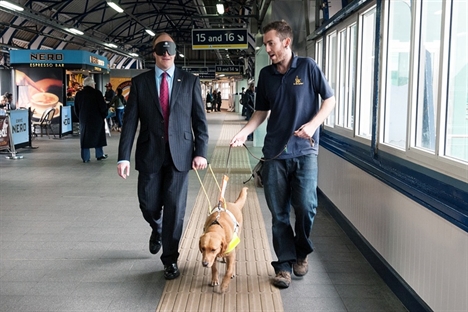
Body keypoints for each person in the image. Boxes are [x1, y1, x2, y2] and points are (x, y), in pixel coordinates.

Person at [230, 20, 335, 289]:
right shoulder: (266, 75)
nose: (267, 48)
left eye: (271, 43)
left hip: (305, 150)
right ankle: (284, 265)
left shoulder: (308, 67)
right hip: (275, 153)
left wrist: (313, 124)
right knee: (278, 214)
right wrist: (244, 132)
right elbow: (261, 112)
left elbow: (330, 100)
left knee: (306, 207)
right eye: (265, 44)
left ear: (286, 42)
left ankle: (301, 251)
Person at [117, 32, 209, 280]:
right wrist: (123, 156)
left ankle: (170, 259)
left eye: (170, 51)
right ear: (154, 52)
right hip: (149, 153)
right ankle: (156, 228)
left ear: (175, 53)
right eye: (161, 50)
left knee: (175, 210)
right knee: (147, 204)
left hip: (181, 155)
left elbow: (199, 121)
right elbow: (129, 123)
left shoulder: (189, 81)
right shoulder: (140, 82)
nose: (166, 55)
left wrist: (201, 152)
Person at [74, 77, 108, 163]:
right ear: (92, 84)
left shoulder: (79, 94)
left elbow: (76, 109)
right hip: (97, 120)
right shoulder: (97, 93)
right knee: (98, 137)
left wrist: (80, 117)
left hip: (84, 120)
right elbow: (103, 107)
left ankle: (85, 158)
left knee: (85, 139)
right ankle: (99, 155)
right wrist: (104, 115)